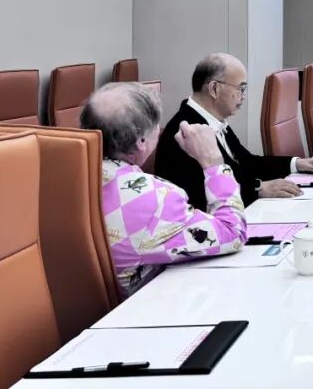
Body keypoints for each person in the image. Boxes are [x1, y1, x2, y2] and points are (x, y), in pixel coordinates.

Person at [80, 82, 248, 298]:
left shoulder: (57, 174)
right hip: (141, 310)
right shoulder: (156, 200)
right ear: (142, 140)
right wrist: (213, 163)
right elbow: (233, 233)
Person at [154, 53, 313, 211]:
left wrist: (296, 163)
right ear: (214, 89)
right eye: (241, 88)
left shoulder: (211, 120)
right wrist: (258, 188)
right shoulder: (185, 131)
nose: (244, 96)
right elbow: (200, 194)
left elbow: (248, 163)